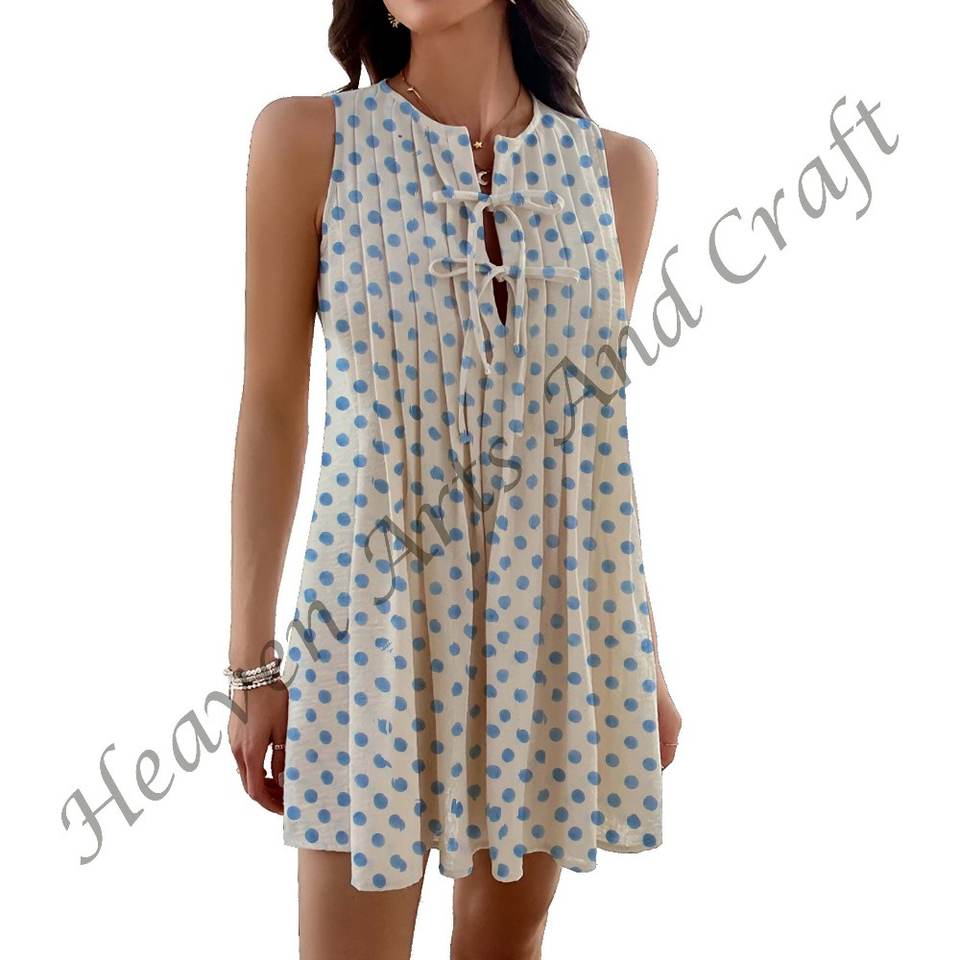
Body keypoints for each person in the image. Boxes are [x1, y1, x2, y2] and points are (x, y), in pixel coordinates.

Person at [227, 1, 682, 957]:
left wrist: (640, 655)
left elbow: (593, 448)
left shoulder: (618, 174)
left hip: (548, 633)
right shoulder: (308, 141)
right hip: (367, 631)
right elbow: (271, 403)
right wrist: (252, 664)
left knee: (506, 944)